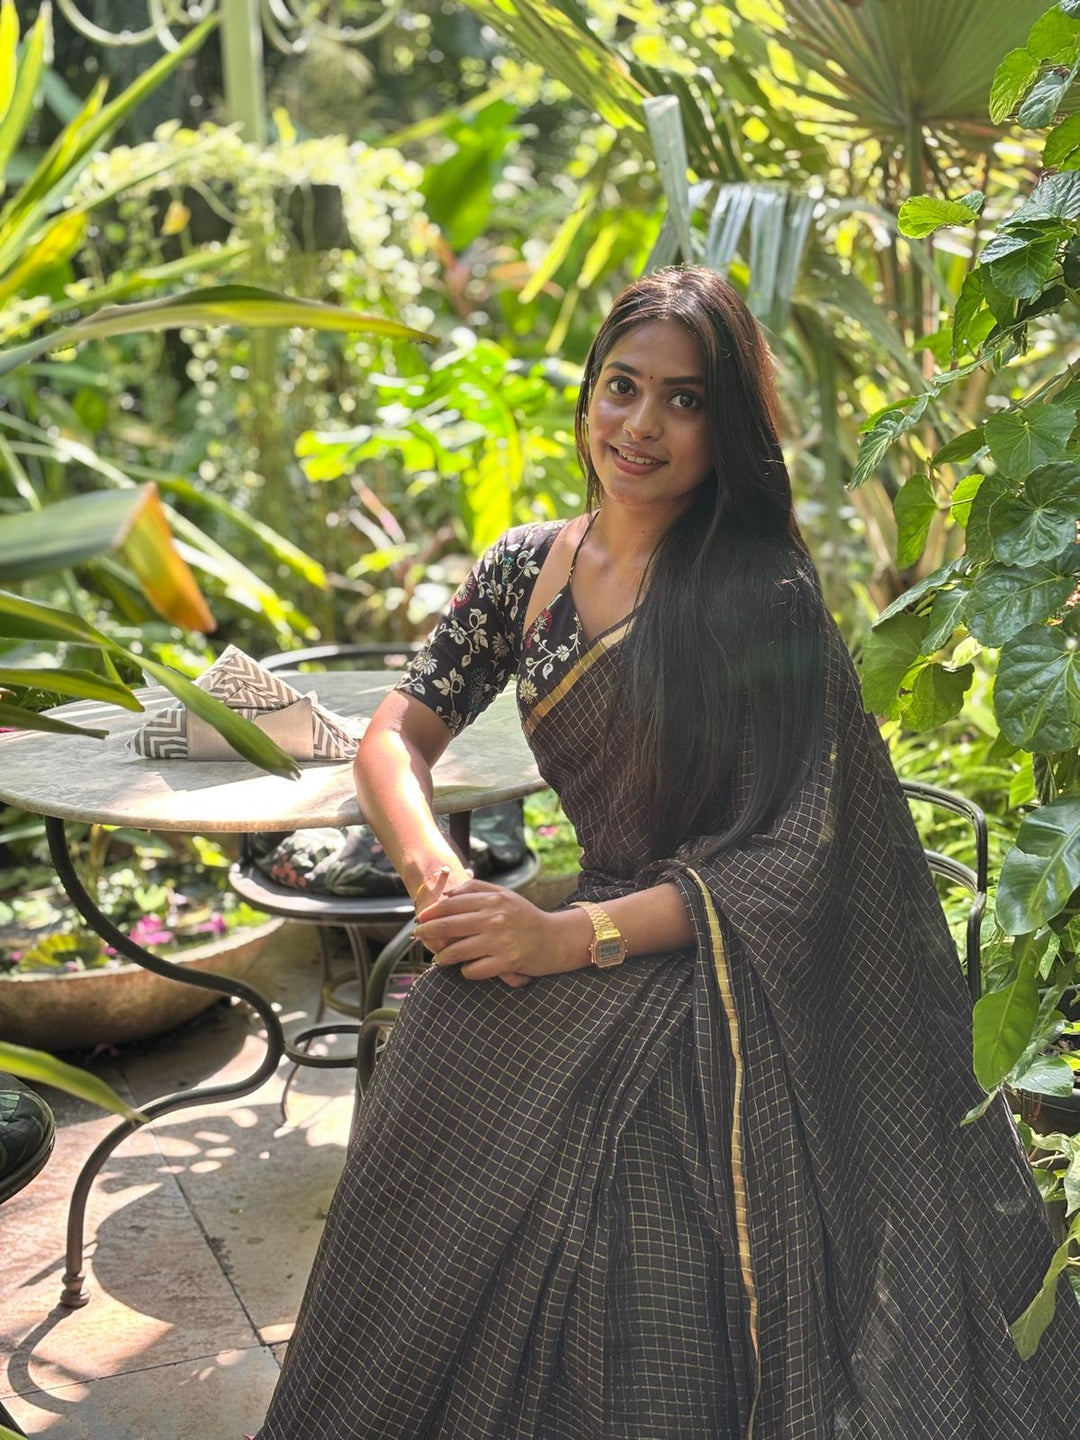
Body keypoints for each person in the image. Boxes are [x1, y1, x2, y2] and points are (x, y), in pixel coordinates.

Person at [256, 267, 1080, 1439]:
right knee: (447, 1029)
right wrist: (443, 881)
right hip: (592, 922)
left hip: (722, 960)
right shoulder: (524, 571)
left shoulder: (760, 594)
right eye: (622, 387)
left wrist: (564, 937)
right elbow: (395, 736)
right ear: (589, 392)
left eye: (683, 401)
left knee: (640, 1167)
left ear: (724, 426)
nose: (640, 426)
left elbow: (794, 854)